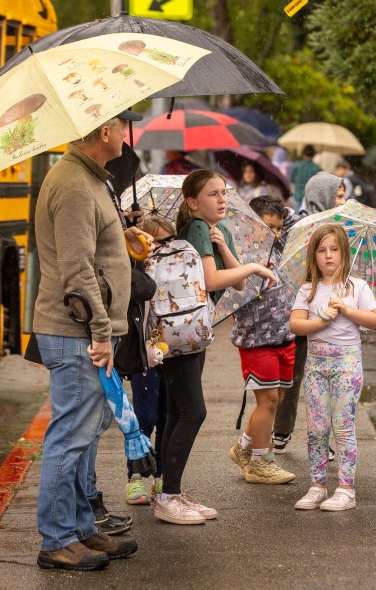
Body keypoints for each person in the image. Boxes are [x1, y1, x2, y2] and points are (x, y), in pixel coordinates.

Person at [33, 110, 147, 570]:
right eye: (121, 126)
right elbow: (77, 271)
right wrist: (101, 333)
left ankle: (80, 529)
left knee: (83, 434)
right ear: (105, 132)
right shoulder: (76, 185)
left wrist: (122, 239)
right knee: (70, 437)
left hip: (86, 334)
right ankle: (57, 539)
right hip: (76, 333)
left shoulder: (88, 179)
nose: (124, 134)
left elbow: (91, 249)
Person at [154, 169, 276, 525]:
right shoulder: (195, 228)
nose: (222, 199)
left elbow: (240, 286)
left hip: (189, 330)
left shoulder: (211, 232)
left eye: (224, 192)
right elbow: (211, 280)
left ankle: (170, 490)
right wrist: (253, 264)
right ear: (192, 202)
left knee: (178, 412)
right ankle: (168, 496)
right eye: (213, 194)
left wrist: (224, 246)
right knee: (192, 412)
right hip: (185, 330)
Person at [290, 225, 376, 512]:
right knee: (316, 427)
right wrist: (322, 322)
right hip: (316, 362)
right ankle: (317, 485)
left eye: (334, 249)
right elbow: (296, 324)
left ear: (344, 252)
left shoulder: (357, 287)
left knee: (343, 427)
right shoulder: (308, 289)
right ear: (313, 255)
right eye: (321, 250)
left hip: (346, 363)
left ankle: (346, 488)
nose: (328, 256)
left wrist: (346, 310)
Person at [272, 172, 347, 453]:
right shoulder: (305, 227)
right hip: (304, 311)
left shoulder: (339, 227)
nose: (342, 200)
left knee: (326, 380)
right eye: (338, 195)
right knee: (297, 376)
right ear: (323, 195)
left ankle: (320, 440)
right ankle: (282, 430)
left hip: (331, 314)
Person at [228, 196, 296, 485]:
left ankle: (243, 447)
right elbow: (237, 288)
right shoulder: (240, 255)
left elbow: (293, 218)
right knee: (267, 399)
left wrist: (279, 225)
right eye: (269, 227)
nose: (275, 232)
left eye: (278, 227)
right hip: (257, 340)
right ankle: (260, 461)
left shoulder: (280, 248)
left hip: (284, 336)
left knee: (277, 398)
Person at [125, 215, 172, 507]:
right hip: (145, 356)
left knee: (168, 418)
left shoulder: (182, 270)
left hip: (173, 353)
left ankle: (162, 475)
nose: (160, 247)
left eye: (167, 241)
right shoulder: (137, 272)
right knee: (144, 417)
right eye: (154, 241)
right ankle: (135, 477)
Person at [290, 144, 321, 208]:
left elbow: (292, 180)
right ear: (314, 154)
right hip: (310, 197)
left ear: (303, 154)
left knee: (297, 216)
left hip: (298, 195)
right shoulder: (317, 168)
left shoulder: (296, 165)